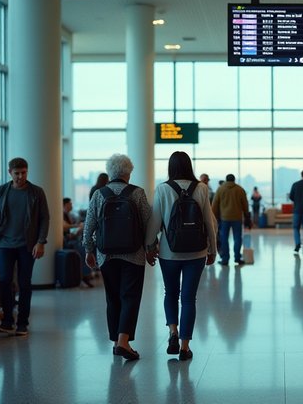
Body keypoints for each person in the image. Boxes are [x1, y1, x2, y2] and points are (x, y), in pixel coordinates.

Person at [145, 151, 218, 361]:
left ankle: (173, 332)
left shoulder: (163, 189)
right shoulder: (202, 188)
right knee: (188, 298)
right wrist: (212, 249)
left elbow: (154, 223)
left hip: (169, 252)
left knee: (170, 293)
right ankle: (185, 346)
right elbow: (209, 223)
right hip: (197, 252)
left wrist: (149, 247)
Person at [84, 154, 153, 360]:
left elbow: (89, 226)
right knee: (130, 296)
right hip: (134, 254)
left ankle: (116, 340)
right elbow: (149, 224)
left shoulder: (99, 194)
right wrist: (151, 248)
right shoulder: (137, 193)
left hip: (106, 254)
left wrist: (88, 250)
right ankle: (123, 342)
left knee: (112, 298)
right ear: (128, 173)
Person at [0, 157, 49, 336]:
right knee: (5, 280)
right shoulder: (1, 191)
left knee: (24, 283)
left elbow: (45, 218)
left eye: (24, 173)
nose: (20, 177)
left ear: (27, 172)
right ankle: (7, 321)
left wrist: (41, 242)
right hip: (4, 243)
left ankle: (23, 323)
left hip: (27, 244)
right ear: (10, 172)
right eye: (17, 173)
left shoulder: (36, 192)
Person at [212, 174, 251, 265]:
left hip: (224, 218)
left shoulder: (220, 189)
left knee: (224, 238)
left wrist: (215, 217)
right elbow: (245, 204)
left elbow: (215, 205)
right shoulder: (240, 189)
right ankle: (237, 258)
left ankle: (225, 259)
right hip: (237, 218)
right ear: (234, 180)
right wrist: (246, 216)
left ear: (226, 180)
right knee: (237, 238)